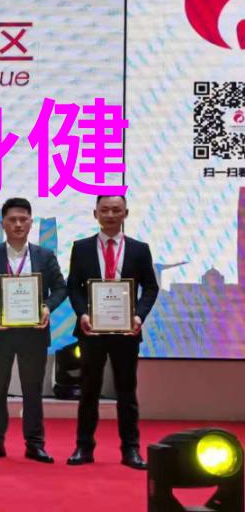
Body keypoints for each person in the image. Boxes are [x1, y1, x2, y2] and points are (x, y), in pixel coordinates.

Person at [66, 195, 159, 470]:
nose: (109, 215)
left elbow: (151, 287)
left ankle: (131, 450)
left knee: (126, 392)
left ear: (125, 213)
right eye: (104, 210)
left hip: (126, 332)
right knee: (88, 391)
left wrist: (139, 316)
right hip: (91, 331)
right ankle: (84, 447)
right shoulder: (81, 248)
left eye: (116, 210)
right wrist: (82, 314)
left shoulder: (139, 249)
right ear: (95, 213)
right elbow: (73, 287)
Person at [0, 197, 66, 463]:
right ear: (2, 224)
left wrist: (47, 307)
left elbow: (61, 288)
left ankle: (35, 444)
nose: (18, 224)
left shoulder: (45, 256)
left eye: (23, 219)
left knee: (32, 390)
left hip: (33, 333)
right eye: (12, 220)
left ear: (31, 223)